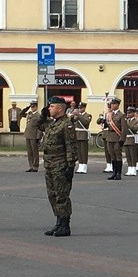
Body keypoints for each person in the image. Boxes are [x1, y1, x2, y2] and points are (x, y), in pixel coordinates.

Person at [37, 96, 78, 237]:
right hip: (49, 164)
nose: (49, 109)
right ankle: (58, 222)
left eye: (51, 106)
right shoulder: (52, 123)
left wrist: (70, 166)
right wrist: (42, 116)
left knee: (62, 195)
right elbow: (37, 125)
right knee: (52, 195)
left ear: (60, 108)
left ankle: (65, 225)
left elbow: (71, 146)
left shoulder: (67, 124)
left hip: (60, 165)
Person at [104, 96, 127, 180]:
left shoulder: (121, 115)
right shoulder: (110, 114)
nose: (112, 105)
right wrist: (104, 123)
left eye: (113, 104)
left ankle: (118, 173)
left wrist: (122, 139)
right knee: (112, 155)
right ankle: (114, 172)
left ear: (117, 105)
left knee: (118, 155)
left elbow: (124, 129)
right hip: (109, 137)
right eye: (111, 104)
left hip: (117, 137)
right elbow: (108, 125)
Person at [22, 100, 42, 172]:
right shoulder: (29, 114)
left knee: (34, 151)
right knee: (29, 152)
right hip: (28, 134)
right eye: (31, 107)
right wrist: (26, 108)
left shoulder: (38, 116)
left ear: (36, 107)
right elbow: (20, 114)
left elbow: (40, 127)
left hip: (34, 135)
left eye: (33, 107)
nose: (32, 108)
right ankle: (31, 166)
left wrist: (38, 137)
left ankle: (35, 166)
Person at [72, 102, 92, 174]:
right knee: (78, 152)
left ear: (84, 108)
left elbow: (86, 122)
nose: (80, 109)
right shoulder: (76, 116)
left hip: (83, 134)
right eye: (79, 108)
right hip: (77, 134)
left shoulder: (88, 115)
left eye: (81, 108)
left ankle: (84, 166)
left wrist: (78, 116)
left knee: (83, 151)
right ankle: (80, 165)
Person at [124, 106, 138, 176]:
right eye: (127, 113)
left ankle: (133, 169)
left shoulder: (136, 121)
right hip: (126, 139)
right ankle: (129, 168)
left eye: (130, 113)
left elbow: (135, 129)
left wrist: (127, 124)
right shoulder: (127, 121)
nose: (128, 114)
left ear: (133, 113)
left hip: (132, 139)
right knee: (128, 156)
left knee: (133, 155)